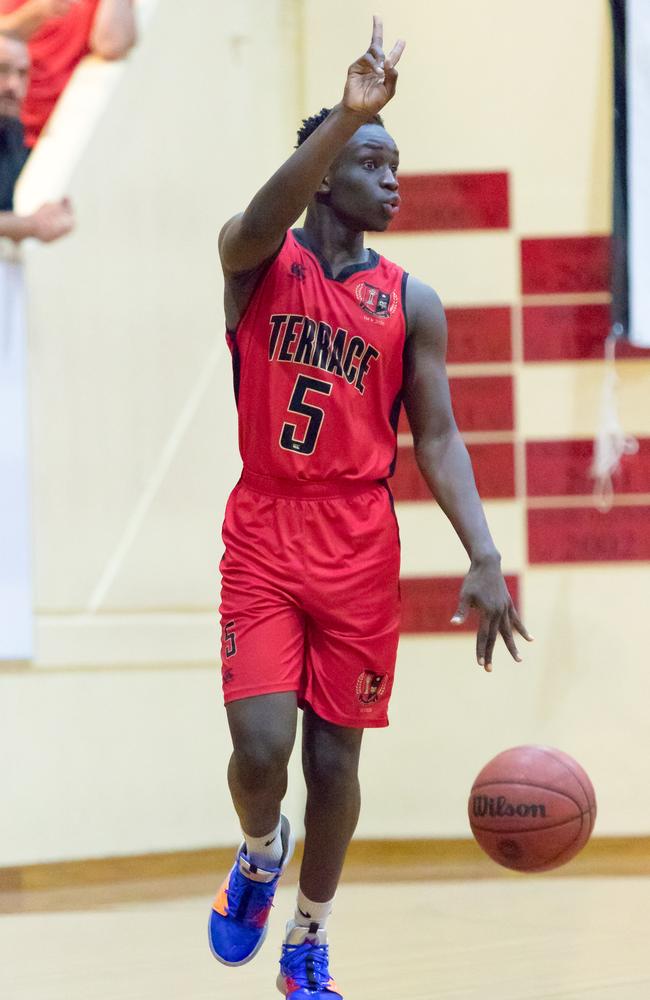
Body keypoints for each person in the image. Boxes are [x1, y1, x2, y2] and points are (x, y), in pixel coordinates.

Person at [209, 17, 532, 999]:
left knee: (335, 764)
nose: (393, 179)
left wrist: (480, 550)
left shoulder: (412, 302)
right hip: (264, 528)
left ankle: (308, 936)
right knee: (260, 749)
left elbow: (434, 437)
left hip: (354, 542)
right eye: (373, 160)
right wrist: (342, 114)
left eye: (396, 161)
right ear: (322, 177)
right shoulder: (260, 263)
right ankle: (261, 853)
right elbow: (254, 221)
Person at [0, 0, 136, 147]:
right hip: (15, 120)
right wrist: (35, 13)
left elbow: (112, 45)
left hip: (66, 125)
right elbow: (5, 32)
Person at [0, 31, 72, 241]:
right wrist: (31, 225)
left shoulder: (12, 132)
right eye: (2, 71)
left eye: (22, 74)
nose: (13, 85)